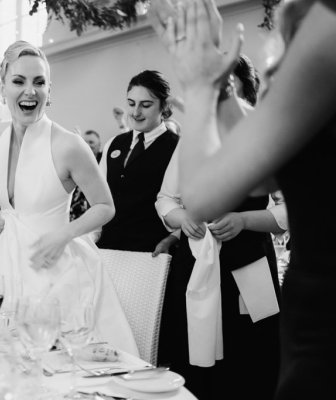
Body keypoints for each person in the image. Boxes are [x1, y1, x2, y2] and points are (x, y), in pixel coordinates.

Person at [150, 0, 336, 398]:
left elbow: (203, 196)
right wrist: (220, 92)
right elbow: (268, 171)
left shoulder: (326, 27)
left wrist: (200, 85)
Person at [0, 40, 137, 355]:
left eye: (39, 82)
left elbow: (105, 206)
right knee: (0, 359)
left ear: (50, 90)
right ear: (2, 87)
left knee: (53, 364)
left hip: (51, 272)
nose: (30, 91)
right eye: (19, 81)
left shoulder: (69, 145)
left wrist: (65, 234)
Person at [155, 54, 284, 400]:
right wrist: (185, 220)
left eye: (228, 84)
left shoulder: (264, 133)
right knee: (195, 361)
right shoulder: (192, 139)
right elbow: (166, 199)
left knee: (250, 359)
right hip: (197, 263)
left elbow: (290, 210)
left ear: (245, 88)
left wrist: (244, 220)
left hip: (249, 265)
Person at [97, 70, 179, 255]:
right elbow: (100, 199)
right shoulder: (114, 144)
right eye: (131, 104)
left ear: (163, 106)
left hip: (152, 251)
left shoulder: (177, 147)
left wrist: (175, 237)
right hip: (108, 248)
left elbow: (187, 206)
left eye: (146, 105)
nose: (136, 112)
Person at [69, 129, 103, 221]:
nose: (87, 145)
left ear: (99, 145)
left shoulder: (104, 161)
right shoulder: (75, 161)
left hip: (93, 215)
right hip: (72, 214)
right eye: (84, 142)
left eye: (91, 142)